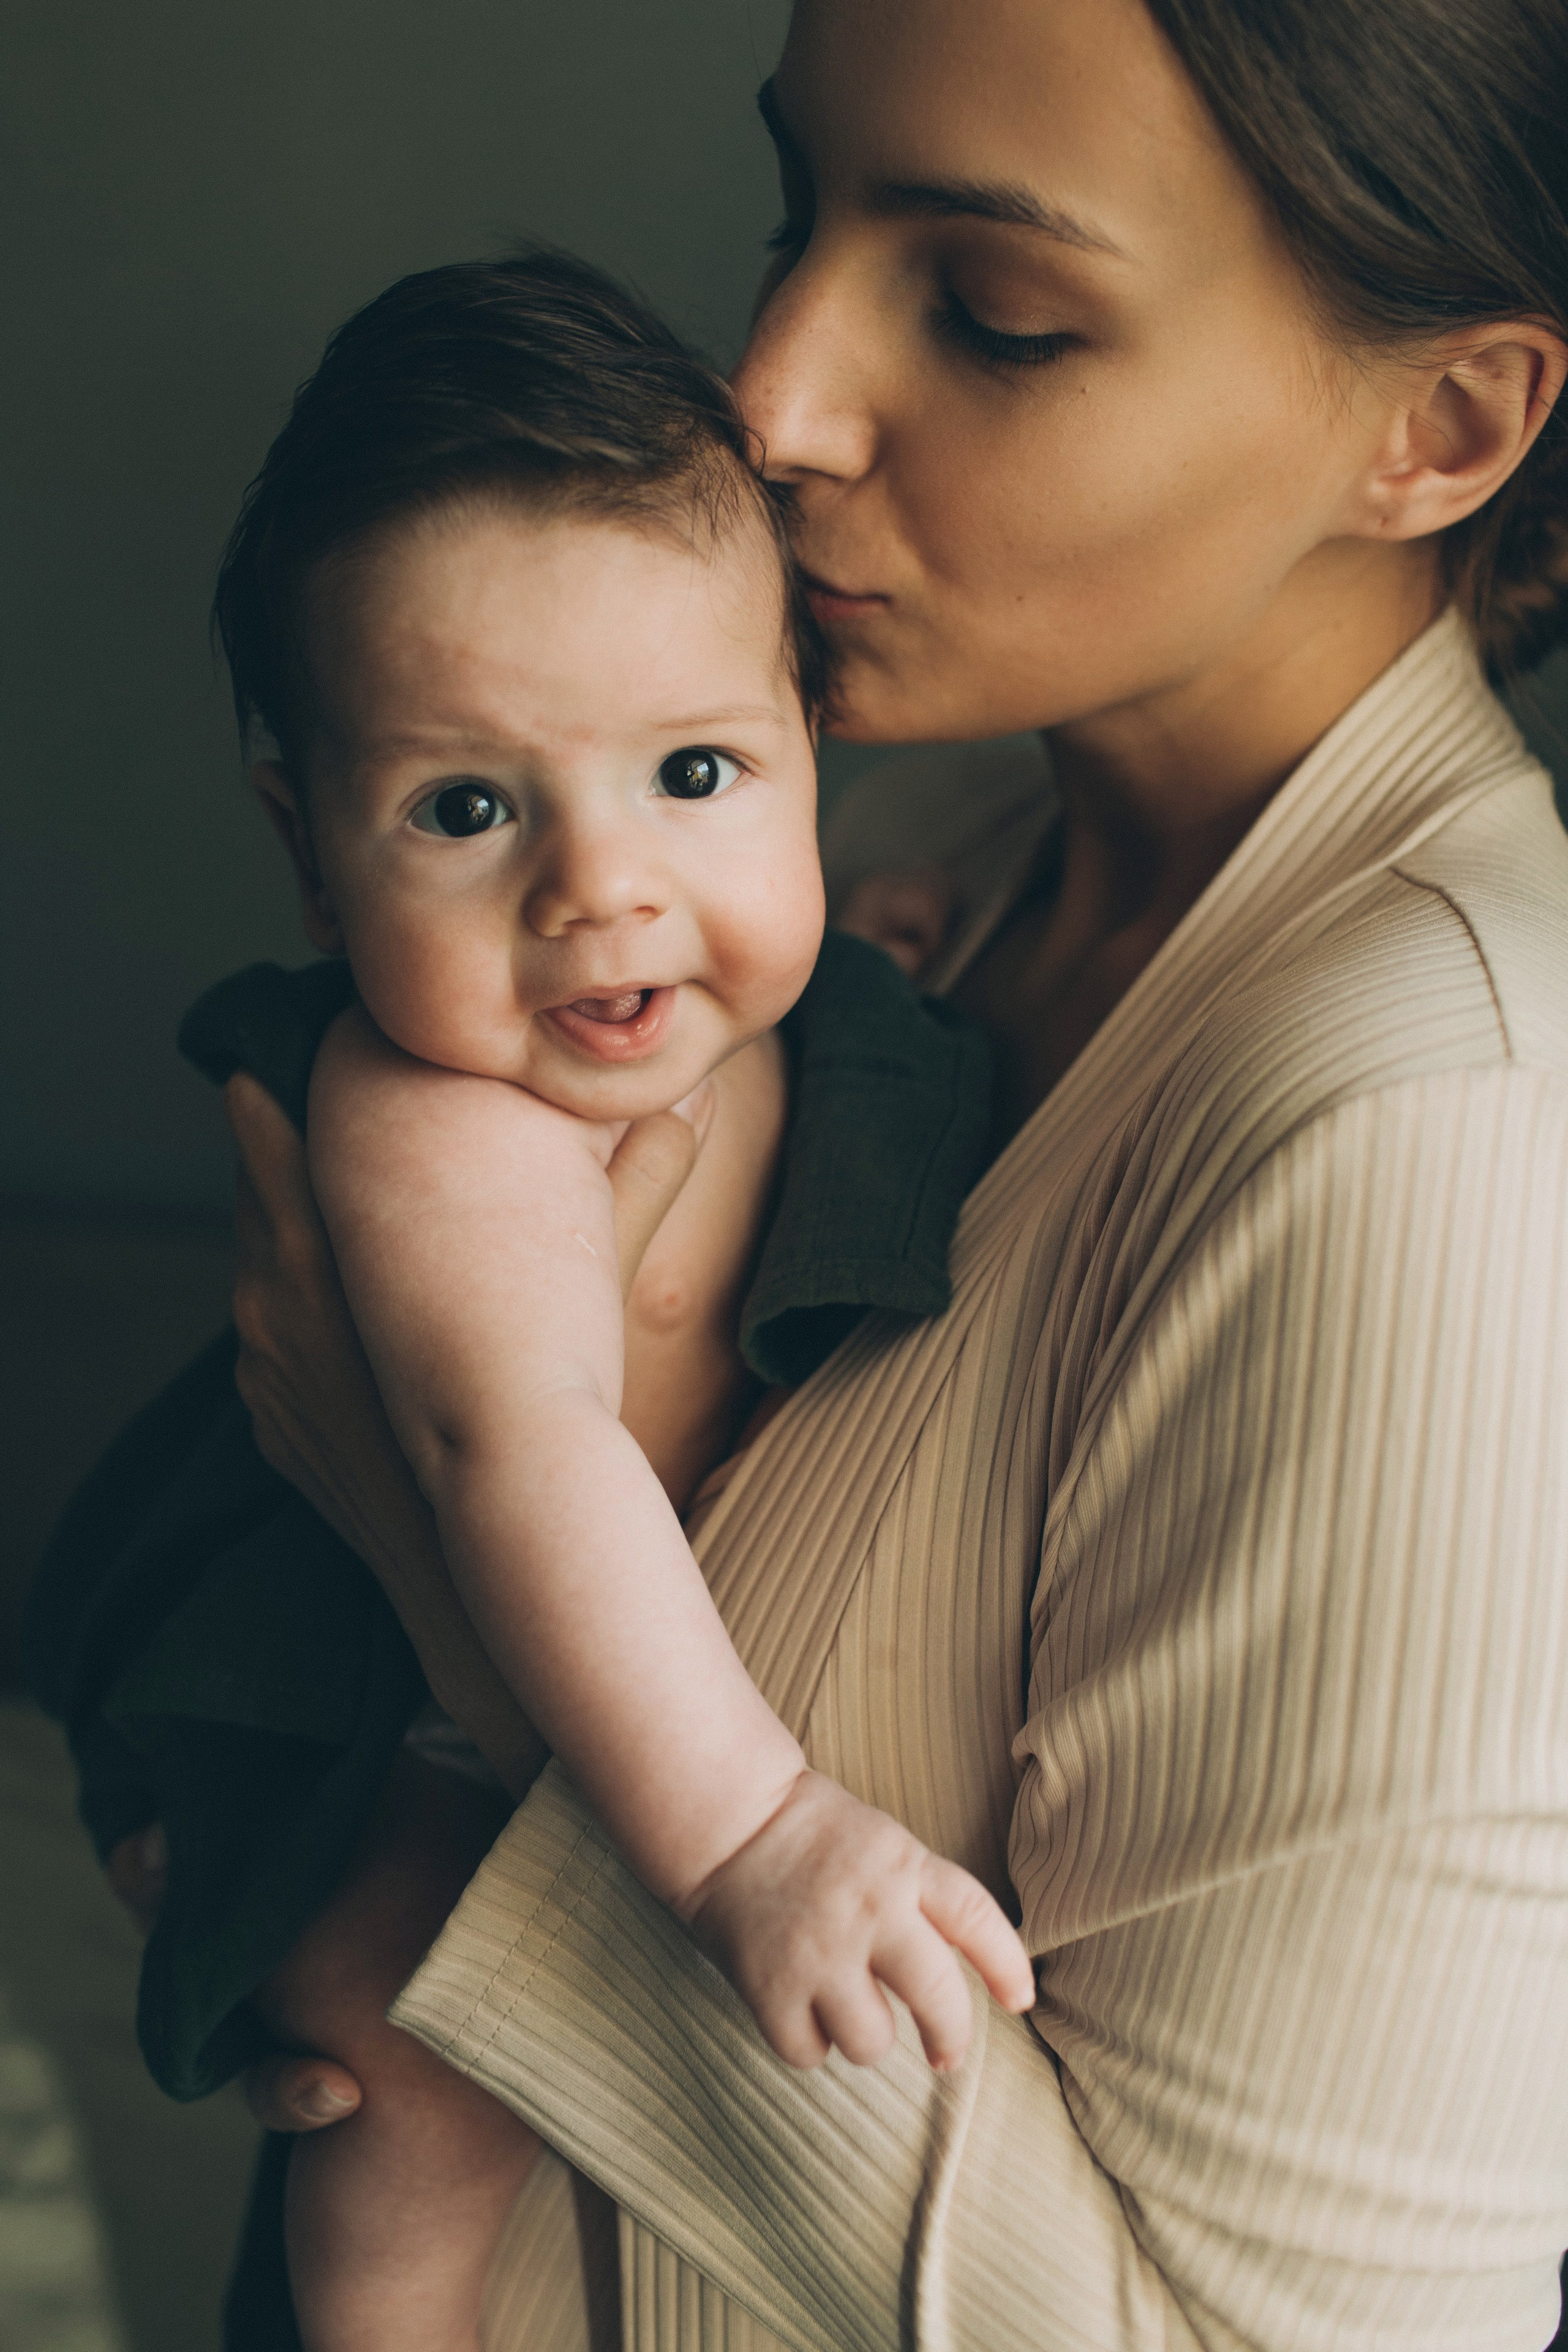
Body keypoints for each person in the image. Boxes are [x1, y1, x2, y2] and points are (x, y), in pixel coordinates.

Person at [136, 0, 1568, 2343]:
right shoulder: (922, 890)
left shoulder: (1438, 1125)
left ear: (1441, 429)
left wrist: (479, 1625)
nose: (771, 399)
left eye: (995, 313)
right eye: (801, 210)